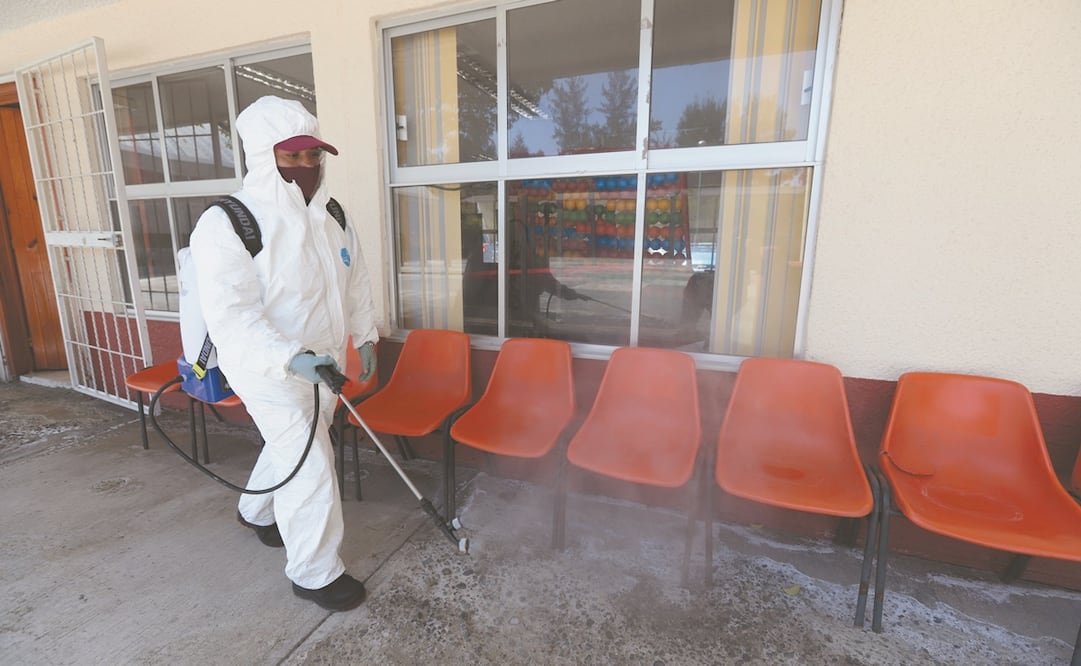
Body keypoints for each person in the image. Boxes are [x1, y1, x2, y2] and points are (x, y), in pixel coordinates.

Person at [188, 95, 378, 612]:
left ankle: (255, 511)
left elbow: (354, 277)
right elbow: (232, 316)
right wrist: (289, 358)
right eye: (291, 156)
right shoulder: (229, 221)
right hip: (266, 368)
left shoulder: (332, 213)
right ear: (263, 155)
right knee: (311, 460)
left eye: (313, 156)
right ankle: (315, 573)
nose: (306, 167)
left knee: (297, 443)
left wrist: (364, 335)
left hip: (325, 363)